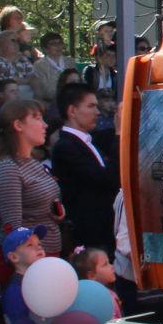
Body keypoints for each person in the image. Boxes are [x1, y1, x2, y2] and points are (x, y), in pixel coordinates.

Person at [0, 99, 65, 257]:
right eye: (37, 118)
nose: (45, 125)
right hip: (25, 259)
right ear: (18, 125)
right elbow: (13, 227)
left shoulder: (33, 163)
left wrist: (57, 213)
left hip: (47, 251)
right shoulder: (8, 168)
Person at [52, 82, 119, 254]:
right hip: (89, 237)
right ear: (72, 111)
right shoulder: (66, 147)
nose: (97, 112)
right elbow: (109, 179)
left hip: (106, 231)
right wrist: (119, 132)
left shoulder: (91, 141)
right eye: (91, 106)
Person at [0, 30, 35, 104]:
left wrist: (27, 80)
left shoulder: (23, 59)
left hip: (29, 92)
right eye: (13, 40)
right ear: (2, 43)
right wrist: (27, 81)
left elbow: (33, 75)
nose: (16, 43)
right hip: (9, 96)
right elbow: (9, 80)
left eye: (18, 41)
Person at [30, 31, 72, 111]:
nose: (58, 46)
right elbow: (47, 91)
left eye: (60, 43)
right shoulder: (39, 65)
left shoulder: (70, 62)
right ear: (45, 48)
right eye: (53, 44)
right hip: (52, 104)